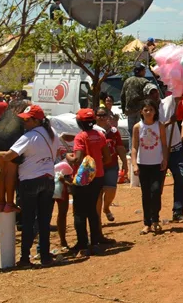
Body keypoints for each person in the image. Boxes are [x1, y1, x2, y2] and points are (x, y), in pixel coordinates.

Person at [0, 105, 58, 266]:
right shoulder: (52, 134)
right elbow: (59, 151)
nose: (24, 122)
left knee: (27, 221)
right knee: (44, 221)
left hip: (30, 181)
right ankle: (45, 256)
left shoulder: (28, 137)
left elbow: (7, 156)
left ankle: (25, 258)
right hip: (48, 180)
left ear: (35, 120)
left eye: (27, 119)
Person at [70, 108, 111, 256]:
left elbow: (77, 159)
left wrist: (67, 157)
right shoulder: (100, 135)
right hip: (97, 177)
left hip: (82, 180)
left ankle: (82, 244)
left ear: (79, 122)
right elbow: (107, 157)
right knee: (92, 210)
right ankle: (94, 243)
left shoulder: (80, 137)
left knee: (79, 212)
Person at [132, 99, 168, 235]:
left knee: (156, 191)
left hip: (157, 164)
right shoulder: (137, 127)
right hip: (143, 164)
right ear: (141, 111)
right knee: (146, 194)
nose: (148, 112)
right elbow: (134, 146)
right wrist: (135, 164)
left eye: (151, 110)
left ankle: (156, 220)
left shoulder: (160, 126)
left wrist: (165, 159)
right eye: (146, 110)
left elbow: (164, 144)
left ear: (155, 111)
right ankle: (147, 223)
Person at [156, 84, 183, 223]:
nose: (154, 95)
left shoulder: (167, 101)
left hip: (176, 148)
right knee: (157, 184)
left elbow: (178, 96)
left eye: (155, 92)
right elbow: (154, 129)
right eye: (151, 93)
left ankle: (178, 211)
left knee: (179, 179)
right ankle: (154, 214)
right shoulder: (148, 111)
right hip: (158, 152)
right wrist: (169, 122)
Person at [96, 108, 127, 223]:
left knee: (111, 190)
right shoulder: (93, 131)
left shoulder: (114, 132)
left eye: (104, 115)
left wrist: (124, 162)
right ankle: (97, 219)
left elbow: (120, 147)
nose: (102, 117)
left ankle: (106, 208)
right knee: (98, 193)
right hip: (97, 166)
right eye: (99, 115)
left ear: (108, 117)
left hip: (112, 165)